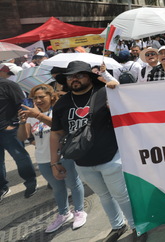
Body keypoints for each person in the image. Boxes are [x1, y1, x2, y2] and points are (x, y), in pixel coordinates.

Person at [50, 61, 137, 241]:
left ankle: (137, 226)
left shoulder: (104, 93)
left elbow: (128, 107)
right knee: (103, 196)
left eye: (79, 75)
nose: (74, 79)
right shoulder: (61, 104)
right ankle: (117, 225)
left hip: (111, 156)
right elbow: (56, 134)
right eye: (70, 76)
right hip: (81, 161)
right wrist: (54, 162)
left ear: (89, 76)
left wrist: (115, 90)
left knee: (121, 195)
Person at [17, 84, 86, 233]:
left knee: (73, 183)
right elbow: (22, 137)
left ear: (51, 97)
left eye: (42, 97)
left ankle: (79, 211)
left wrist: (38, 116)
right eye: (35, 98)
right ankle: (64, 213)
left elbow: (58, 128)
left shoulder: (58, 111)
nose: (38, 100)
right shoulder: (32, 116)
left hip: (63, 155)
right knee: (57, 187)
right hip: (42, 158)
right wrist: (23, 122)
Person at [0, 76, 37, 200]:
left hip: (9, 130)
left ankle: (30, 181)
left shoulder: (7, 84)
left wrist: (14, 123)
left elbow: (22, 105)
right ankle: (2, 187)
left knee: (20, 157)